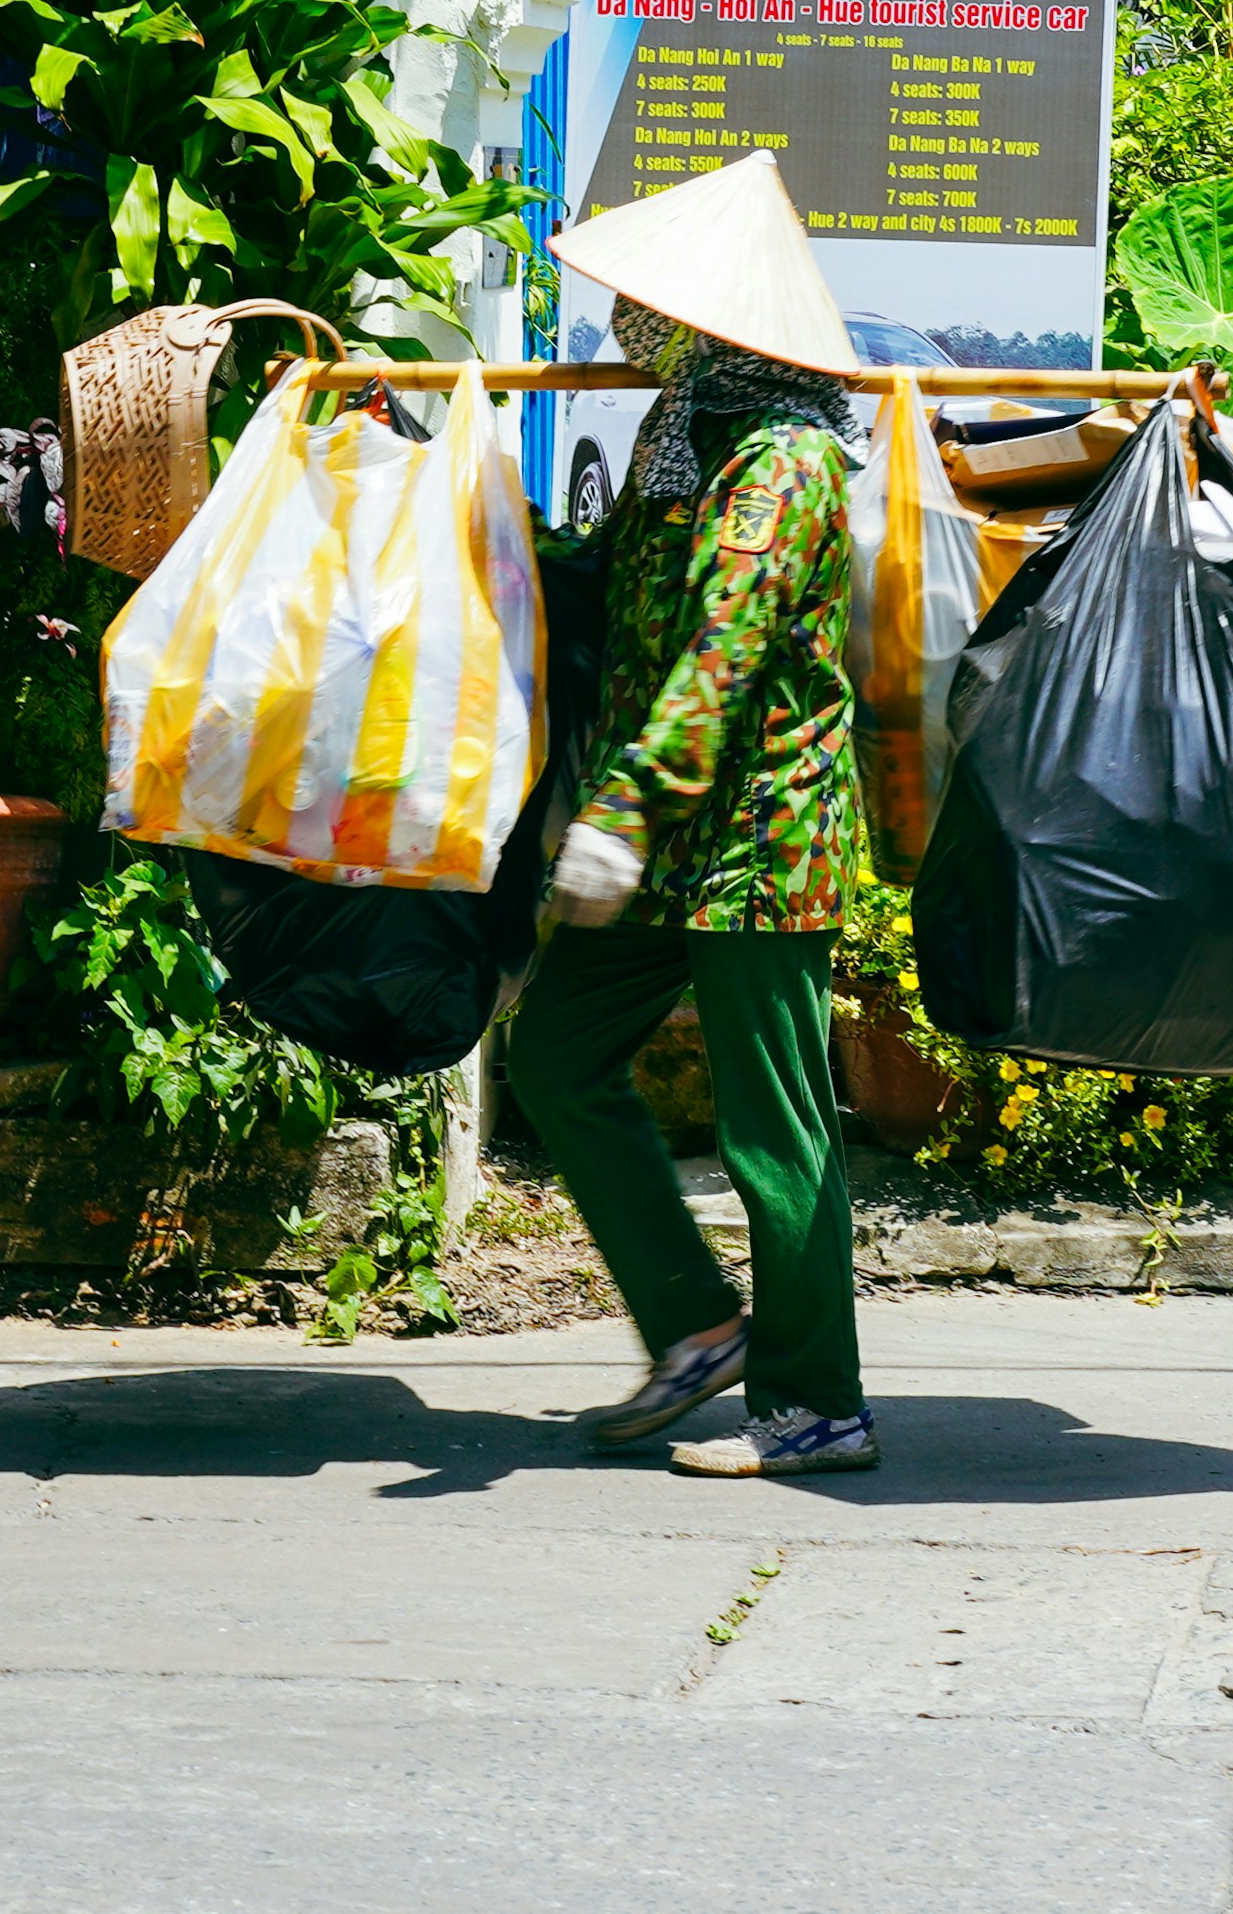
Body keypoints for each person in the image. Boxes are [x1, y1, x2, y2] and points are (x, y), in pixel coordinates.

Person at [506, 153, 877, 1479]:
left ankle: (811, 1401)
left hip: (757, 844)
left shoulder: (781, 465)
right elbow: (609, 604)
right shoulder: (685, 449)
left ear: (722, 329)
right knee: (552, 1048)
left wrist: (621, 811)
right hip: (666, 845)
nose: (629, 331)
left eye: (657, 313)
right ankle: (693, 1324)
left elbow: (718, 659)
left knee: (775, 1128)